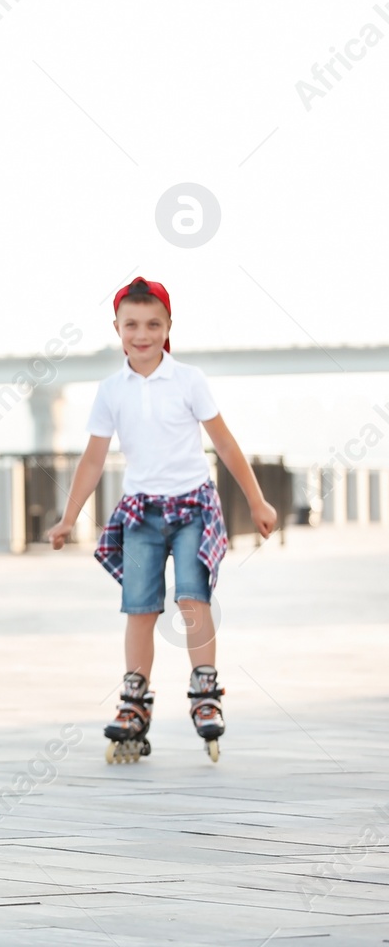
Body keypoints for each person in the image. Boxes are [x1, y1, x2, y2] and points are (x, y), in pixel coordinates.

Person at [48, 277, 277, 764]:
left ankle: (205, 691)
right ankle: (134, 702)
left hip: (192, 506)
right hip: (141, 512)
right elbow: (92, 460)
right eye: (131, 324)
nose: (142, 334)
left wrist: (257, 502)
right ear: (117, 329)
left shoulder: (189, 380)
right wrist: (69, 518)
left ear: (168, 327)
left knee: (194, 597)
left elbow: (226, 444)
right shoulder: (111, 391)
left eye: (153, 324)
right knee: (140, 608)